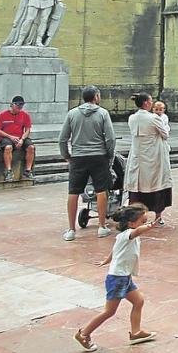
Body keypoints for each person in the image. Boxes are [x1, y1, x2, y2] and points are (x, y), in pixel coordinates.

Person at [74, 204, 157, 352]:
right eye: (142, 221)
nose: (144, 224)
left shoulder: (123, 237)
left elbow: (116, 251)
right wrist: (149, 226)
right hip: (118, 279)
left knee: (138, 301)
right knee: (109, 311)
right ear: (131, 224)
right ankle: (84, 334)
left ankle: (136, 333)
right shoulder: (129, 234)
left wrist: (107, 260)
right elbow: (138, 231)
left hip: (124, 277)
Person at [60, 86, 118, 241]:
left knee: (73, 192)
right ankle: (101, 226)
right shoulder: (103, 113)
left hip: (78, 157)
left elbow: (63, 138)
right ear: (96, 97)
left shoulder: (72, 113)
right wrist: (109, 154)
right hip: (99, 156)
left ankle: (71, 229)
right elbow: (111, 138)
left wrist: (67, 155)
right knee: (101, 190)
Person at [125, 93, 172, 226]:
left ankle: (135, 217)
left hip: (138, 156)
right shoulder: (154, 118)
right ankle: (158, 216)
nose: (152, 104)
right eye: (150, 101)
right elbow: (165, 134)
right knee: (156, 186)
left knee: (138, 188)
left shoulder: (132, 118)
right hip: (153, 157)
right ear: (146, 103)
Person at [0, 95, 35, 181]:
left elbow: (27, 130)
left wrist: (22, 139)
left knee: (31, 147)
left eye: (21, 106)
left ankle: (28, 170)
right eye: (17, 106)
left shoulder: (25, 115)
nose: (19, 108)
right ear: (12, 105)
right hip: (6, 137)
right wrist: (10, 136)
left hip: (20, 137)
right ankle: (8, 171)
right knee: (8, 147)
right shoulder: (2, 115)